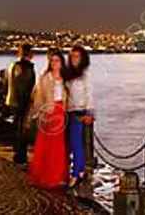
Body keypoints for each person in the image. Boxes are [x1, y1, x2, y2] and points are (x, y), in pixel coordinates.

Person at [27, 49, 68, 189]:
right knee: (46, 143)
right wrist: (39, 113)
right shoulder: (44, 78)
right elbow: (38, 98)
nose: (55, 63)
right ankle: (45, 175)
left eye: (57, 60)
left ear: (62, 62)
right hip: (49, 112)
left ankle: (58, 175)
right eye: (52, 60)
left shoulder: (66, 78)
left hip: (61, 111)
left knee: (59, 144)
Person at [65, 44, 95, 188]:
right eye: (72, 56)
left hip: (80, 111)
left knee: (76, 143)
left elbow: (89, 93)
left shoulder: (85, 74)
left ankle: (75, 175)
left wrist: (90, 112)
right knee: (76, 143)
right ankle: (81, 171)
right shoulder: (70, 74)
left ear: (83, 58)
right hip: (69, 111)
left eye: (77, 56)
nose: (74, 59)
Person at [5, 42, 36, 166]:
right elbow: (27, 87)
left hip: (12, 100)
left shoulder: (12, 65)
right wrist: (30, 102)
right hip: (22, 101)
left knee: (16, 127)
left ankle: (17, 152)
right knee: (23, 129)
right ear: (30, 54)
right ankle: (21, 156)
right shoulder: (27, 67)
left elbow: (7, 83)